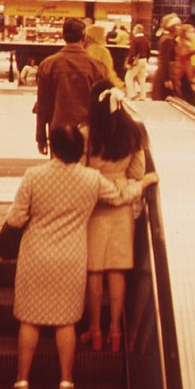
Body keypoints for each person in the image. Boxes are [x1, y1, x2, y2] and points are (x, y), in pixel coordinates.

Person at [4, 125, 157, 389]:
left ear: (53, 147)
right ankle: (66, 381)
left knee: (29, 320)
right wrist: (143, 183)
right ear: (80, 150)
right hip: (71, 257)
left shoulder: (33, 176)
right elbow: (121, 197)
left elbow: (15, 218)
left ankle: (22, 380)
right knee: (66, 323)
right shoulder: (91, 179)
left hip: (35, 255)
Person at [79, 81, 145, 353]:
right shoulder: (133, 133)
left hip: (94, 205)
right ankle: (115, 331)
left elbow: (80, 172)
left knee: (94, 270)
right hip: (121, 208)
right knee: (117, 269)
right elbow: (138, 174)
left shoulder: (86, 133)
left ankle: (95, 330)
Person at [35, 17, 108, 155]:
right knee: (85, 174)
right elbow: (103, 107)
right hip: (88, 132)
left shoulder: (47, 65)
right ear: (84, 37)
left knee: (59, 172)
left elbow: (42, 105)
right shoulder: (98, 66)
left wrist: (41, 138)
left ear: (63, 36)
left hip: (58, 131)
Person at [85, 23, 124, 89]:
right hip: (98, 87)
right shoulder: (103, 51)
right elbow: (109, 72)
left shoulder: (84, 50)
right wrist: (120, 85)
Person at [151, 13, 180, 101]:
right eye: (178, 25)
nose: (180, 28)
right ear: (172, 27)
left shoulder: (168, 39)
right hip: (165, 76)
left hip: (165, 75)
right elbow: (164, 60)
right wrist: (167, 79)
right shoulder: (167, 40)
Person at [174, 23, 195, 105]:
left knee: (187, 91)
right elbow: (182, 54)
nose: (191, 34)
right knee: (187, 94)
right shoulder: (180, 41)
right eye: (189, 32)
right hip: (182, 69)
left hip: (188, 66)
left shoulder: (190, 40)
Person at [124, 24, 150, 101]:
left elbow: (132, 52)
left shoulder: (135, 40)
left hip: (137, 61)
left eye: (134, 30)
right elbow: (149, 51)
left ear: (137, 30)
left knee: (128, 77)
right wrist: (146, 60)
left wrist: (129, 62)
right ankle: (143, 96)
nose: (133, 31)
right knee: (142, 79)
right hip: (144, 60)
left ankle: (132, 94)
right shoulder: (146, 39)